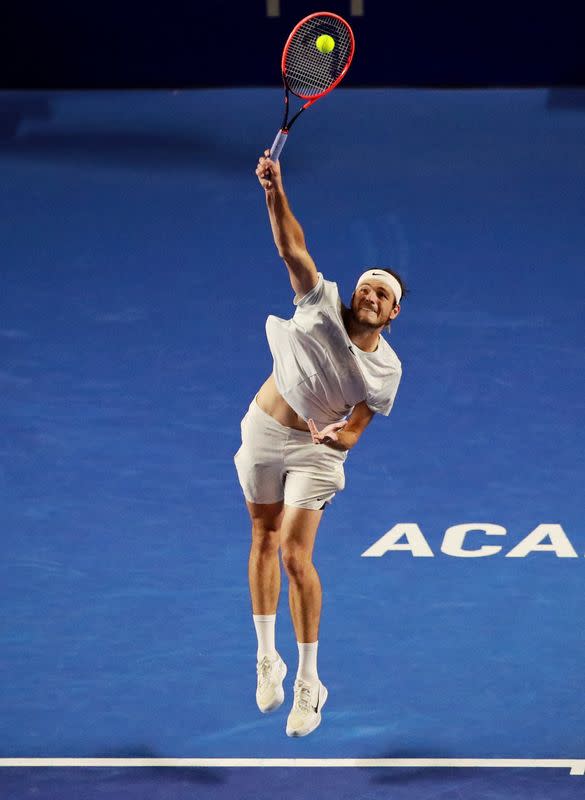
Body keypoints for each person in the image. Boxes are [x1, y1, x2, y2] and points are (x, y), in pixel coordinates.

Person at [234, 150, 406, 738]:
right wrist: (272, 191)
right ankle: (267, 657)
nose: (369, 295)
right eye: (365, 287)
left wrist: (341, 437)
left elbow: (360, 424)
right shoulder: (318, 301)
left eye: (381, 294)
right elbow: (291, 248)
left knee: (292, 554)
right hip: (263, 427)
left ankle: (309, 679)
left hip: (317, 452)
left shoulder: (387, 370)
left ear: (393, 314)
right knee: (261, 536)